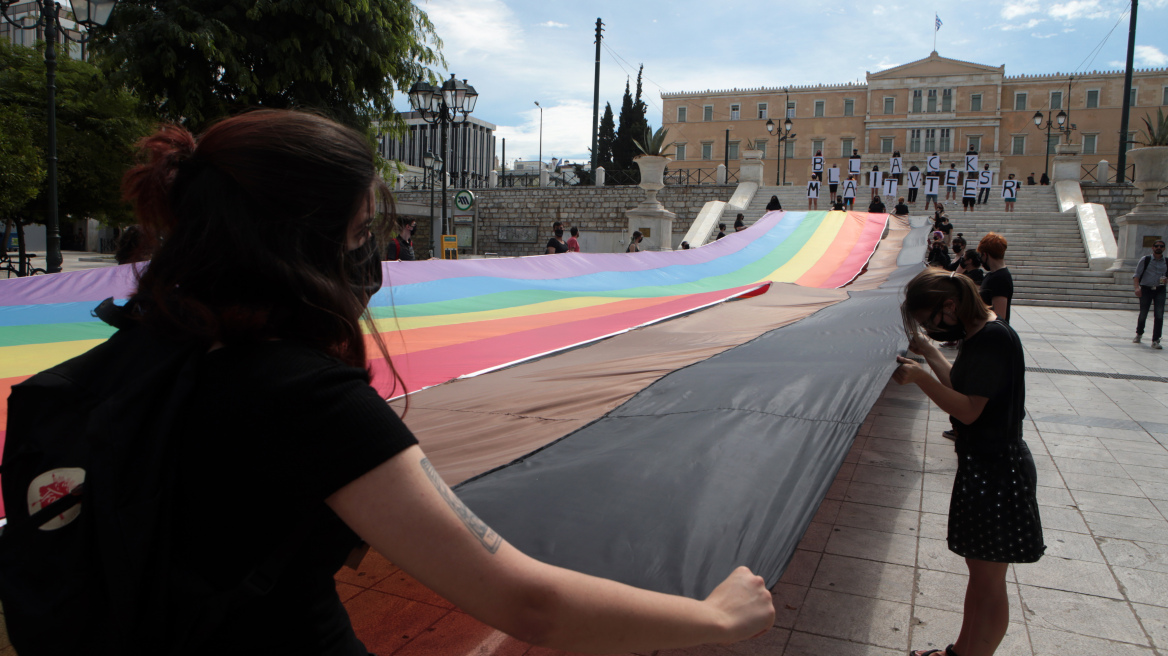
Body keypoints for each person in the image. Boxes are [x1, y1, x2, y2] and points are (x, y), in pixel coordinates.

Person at [99, 110, 775, 654]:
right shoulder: (309, 401)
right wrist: (717, 617)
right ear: (299, 242)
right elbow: (528, 604)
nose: (368, 257)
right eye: (359, 233)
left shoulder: (125, 351)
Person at [894, 269, 1044, 656]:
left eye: (931, 321)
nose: (933, 328)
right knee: (978, 577)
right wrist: (928, 351)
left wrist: (921, 378)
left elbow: (969, 410)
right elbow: (964, 386)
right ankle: (960, 651)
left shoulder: (993, 337)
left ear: (950, 305)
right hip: (983, 466)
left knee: (989, 584)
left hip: (998, 472)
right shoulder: (980, 332)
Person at [1132, 239, 1167, 349]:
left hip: (1160, 289)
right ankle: (1139, 333)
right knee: (1143, 313)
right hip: (1146, 289)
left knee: (1159, 314)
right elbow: (1136, 275)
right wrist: (1137, 288)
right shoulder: (1145, 259)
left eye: (1161, 246)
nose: (1159, 248)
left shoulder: (1166, 261)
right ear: (1152, 248)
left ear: (1164, 248)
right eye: (1156, 246)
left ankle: (1156, 340)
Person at [978, 232, 1013, 324]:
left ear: (985, 254)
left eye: (981, 255)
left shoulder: (1000, 278)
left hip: (991, 330)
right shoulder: (992, 275)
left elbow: (999, 316)